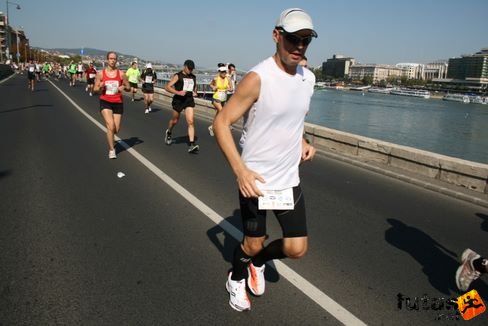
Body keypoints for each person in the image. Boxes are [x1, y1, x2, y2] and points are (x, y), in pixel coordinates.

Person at [213, 8, 317, 311]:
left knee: (297, 249)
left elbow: (292, 118)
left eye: (306, 40)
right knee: (252, 242)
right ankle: (236, 276)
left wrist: (302, 141)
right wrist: (240, 171)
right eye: (293, 39)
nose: (299, 46)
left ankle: (258, 261)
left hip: (287, 181)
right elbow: (222, 123)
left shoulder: (307, 79)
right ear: (276, 36)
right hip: (256, 182)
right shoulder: (257, 79)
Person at [93, 51, 131, 159]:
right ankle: (111, 150)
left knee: (116, 129)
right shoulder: (101, 74)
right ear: (107, 60)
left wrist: (123, 87)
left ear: (116, 60)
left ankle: (111, 139)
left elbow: (128, 87)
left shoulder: (121, 74)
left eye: (114, 59)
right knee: (110, 125)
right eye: (110, 58)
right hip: (105, 101)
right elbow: (95, 89)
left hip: (118, 102)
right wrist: (100, 85)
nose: (112, 60)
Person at [164, 59, 199, 153]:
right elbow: (167, 87)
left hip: (188, 100)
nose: (190, 71)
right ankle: (169, 131)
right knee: (175, 120)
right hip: (178, 100)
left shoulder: (193, 77)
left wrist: (195, 92)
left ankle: (192, 145)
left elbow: (195, 88)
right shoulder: (178, 75)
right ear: (185, 66)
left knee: (190, 121)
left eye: (192, 69)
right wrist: (178, 92)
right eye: (189, 69)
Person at [208, 65, 232, 136]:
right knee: (222, 111)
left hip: (223, 99)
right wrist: (213, 87)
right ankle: (226, 125)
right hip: (216, 98)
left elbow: (231, 88)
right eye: (222, 72)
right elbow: (210, 85)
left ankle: (212, 127)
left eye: (225, 71)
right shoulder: (216, 79)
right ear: (219, 72)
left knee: (218, 114)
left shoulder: (228, 79)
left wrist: (229, 89)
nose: (224, 73)